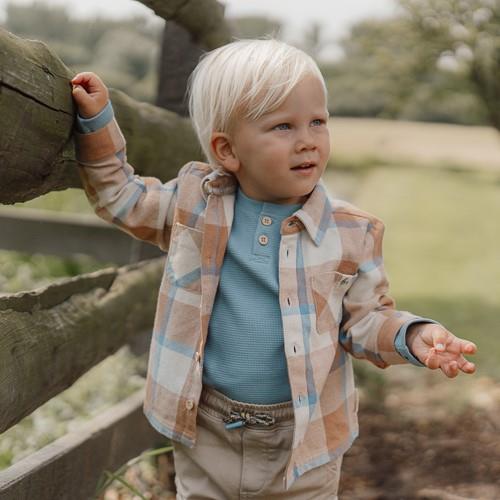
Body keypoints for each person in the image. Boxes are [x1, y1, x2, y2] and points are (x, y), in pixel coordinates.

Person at [71, 38, 477, 499]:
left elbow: (365, 320)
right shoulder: (193, 207)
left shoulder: (349, 233)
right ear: (227, 150)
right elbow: (121, 198)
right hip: (208, 430)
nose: (307, 140)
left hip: (305, 440)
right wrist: (97, 123)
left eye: (317, 122)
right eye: (283, 126)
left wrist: (411, 335)